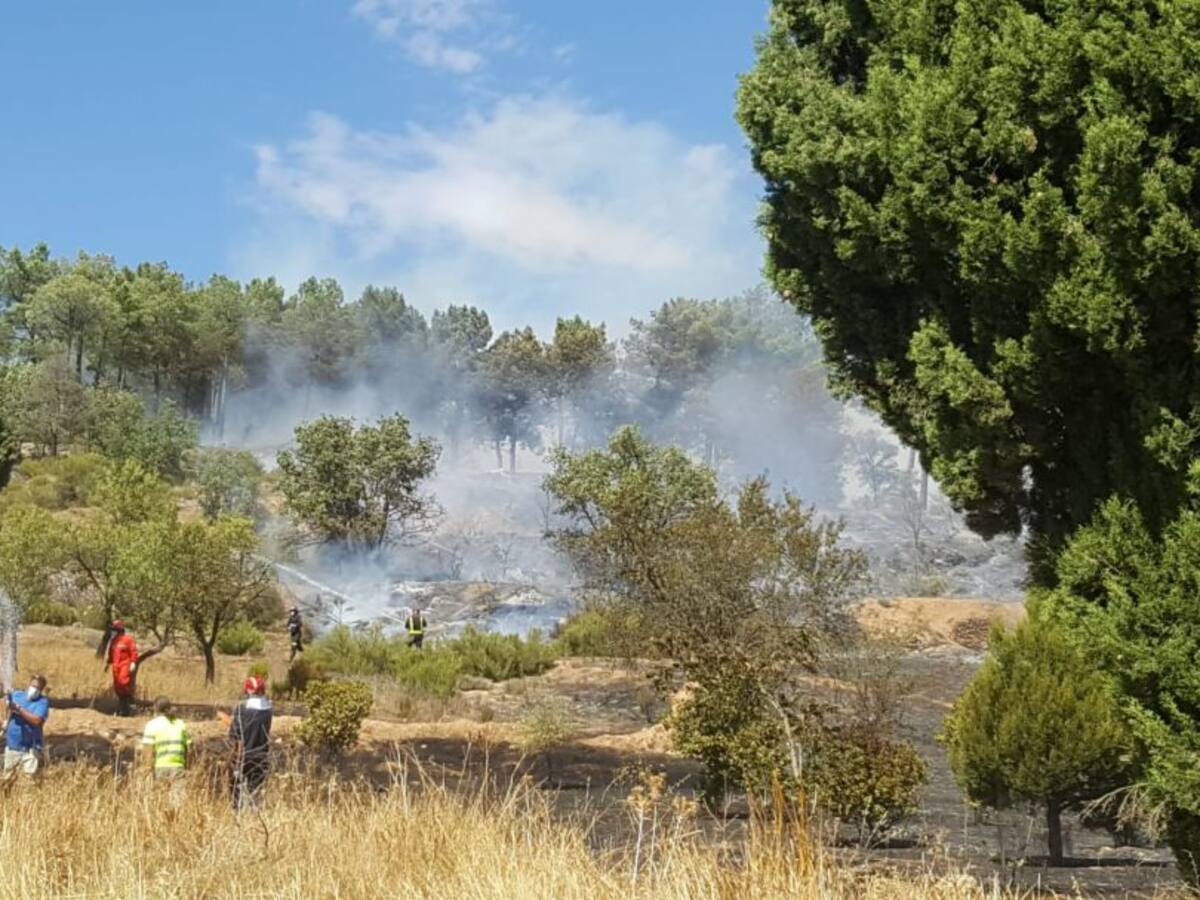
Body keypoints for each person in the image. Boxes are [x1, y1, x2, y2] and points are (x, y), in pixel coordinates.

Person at [229, 675, 273, 811]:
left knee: (237, 793)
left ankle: (238, 815)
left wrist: (232, 760)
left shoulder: (242, 709)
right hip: (262, 756)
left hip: (244, 757)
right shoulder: (268, 709)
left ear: (248, 690)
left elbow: (236, 737)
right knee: (255, 795)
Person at [4, 675, 49, 781]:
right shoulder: (17, 695)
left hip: (31, 748)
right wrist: (6, 720)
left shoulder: (42, 702)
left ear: (42, 689)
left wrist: (19, 709)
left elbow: (36, 720)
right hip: (13, 745)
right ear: (29, 684)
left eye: (38, 688)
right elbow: (6, 704)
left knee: (30, 779)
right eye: (33, 686)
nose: (34, 689)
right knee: (8, 778)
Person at [141, 696, 190, 778]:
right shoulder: (181, 724)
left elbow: (148, 751)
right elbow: (189, 748)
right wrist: (187, 767)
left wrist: (148, 770)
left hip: (160, 767)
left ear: (155, 708)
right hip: (178, 767)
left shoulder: (151, 725)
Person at [106, 621, 139, 717]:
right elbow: (111, 653)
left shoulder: (128, 639)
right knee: (117, 687)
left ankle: (130, 705)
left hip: (125, 665)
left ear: (119, 630)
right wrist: (108, 663)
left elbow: (133, 651)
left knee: (123, 683)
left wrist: (133, 662)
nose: (113, 632)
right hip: (115, 666)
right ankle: (123, 708)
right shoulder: (113, 641)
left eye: (114, 630)